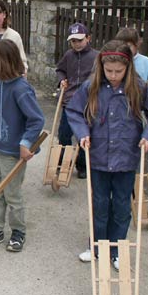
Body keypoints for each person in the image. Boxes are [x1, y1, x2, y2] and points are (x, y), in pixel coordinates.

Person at [66, 40, 148, 270]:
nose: (113, 75)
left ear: (128, 67)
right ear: (101, 66)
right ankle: (96, 247)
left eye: (118, 71)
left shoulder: (138, 87)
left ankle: (117, 251)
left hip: (126, 158)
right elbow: (73, 110)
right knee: (99, 205)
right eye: (108, 70)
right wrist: (82, 133)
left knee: (121, 207)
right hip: (98, 157)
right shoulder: (91, 85)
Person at [0, 40, 44, 252]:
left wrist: (26, 143)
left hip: (13, 151)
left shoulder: (21, 89)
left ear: (3, 63)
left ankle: (18, 231)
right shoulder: (3, 83)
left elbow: (36, 120)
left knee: (12, 194)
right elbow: (4, 108)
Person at [55, 22, 99, 179]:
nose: (77, 44)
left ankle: (82, 165)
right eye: (73, 41)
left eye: (80, 40)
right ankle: (63, 162)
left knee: (85, 136)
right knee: (63, 134)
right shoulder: (68, 55)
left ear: (88, 38)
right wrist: (62, 79)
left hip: (88, 104)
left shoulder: (96, 57)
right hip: (69, 102)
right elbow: (60, 70)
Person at [115, 27, 148, 93]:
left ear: (137, 44)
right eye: (121, 46)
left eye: (128, 46)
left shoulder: (145, 61)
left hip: (140, 96)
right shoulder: (115, 60)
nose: (125, 49)